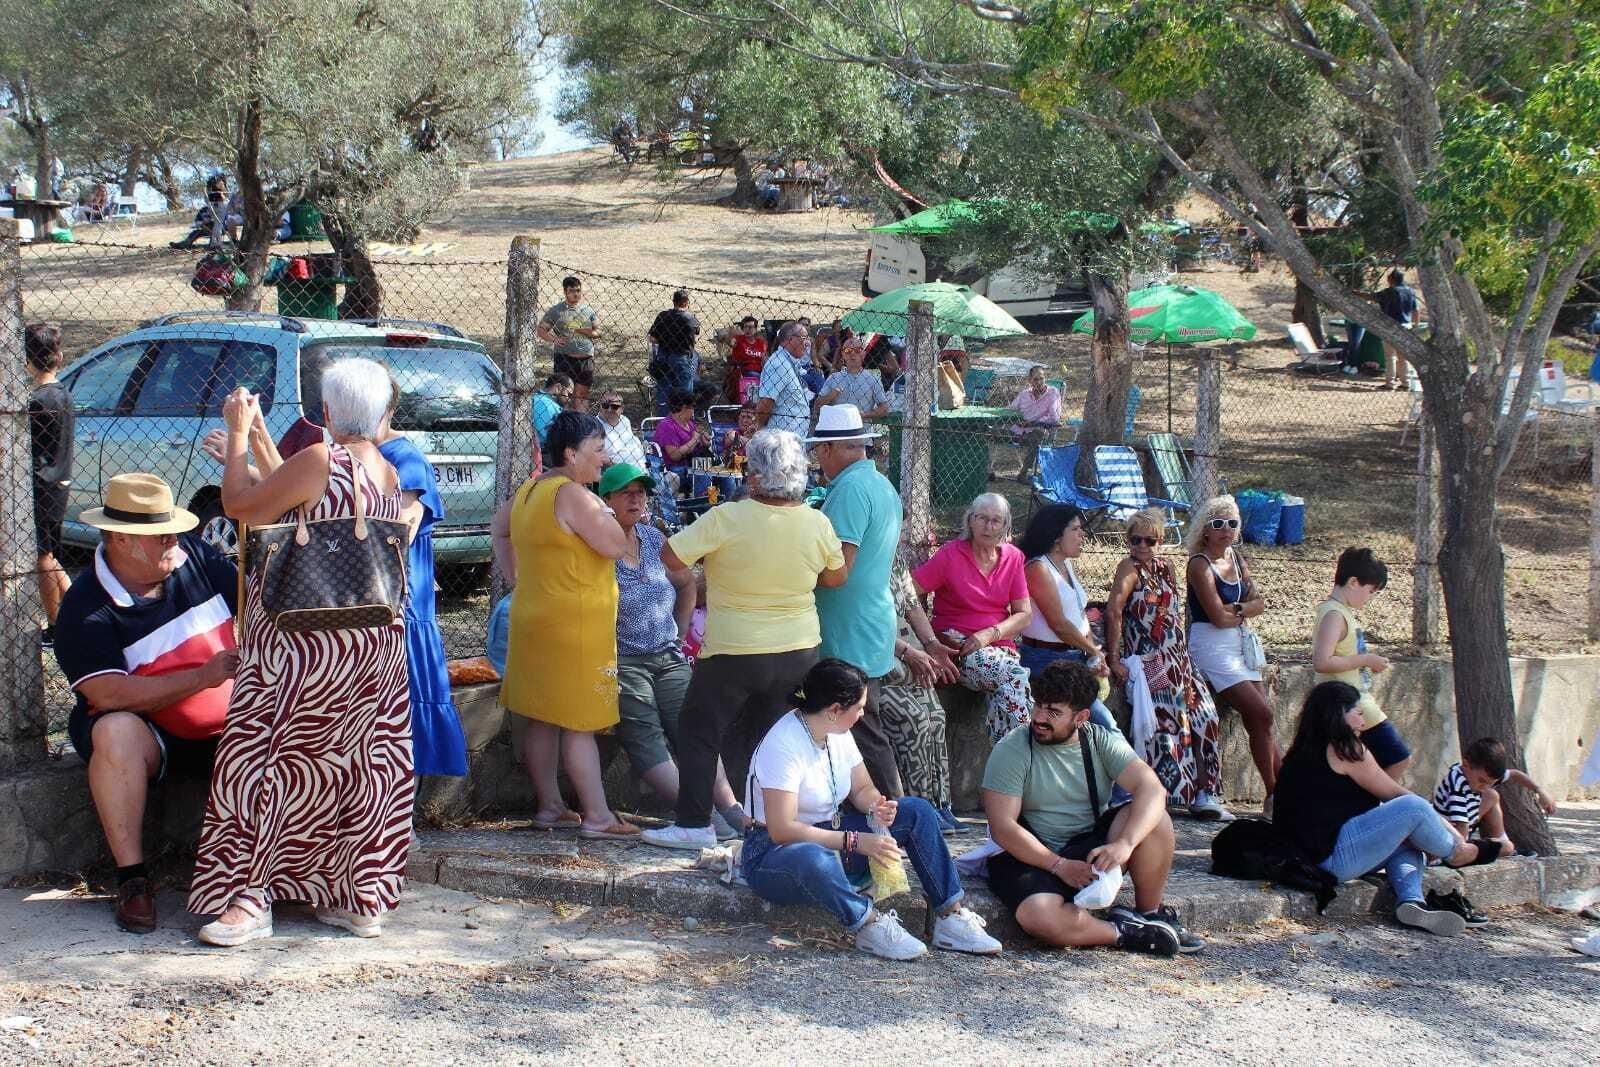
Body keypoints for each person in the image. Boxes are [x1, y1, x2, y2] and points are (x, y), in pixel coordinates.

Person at [189, 359, 423, 946]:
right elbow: (308, 507)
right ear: (384, 414)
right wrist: (264, 443)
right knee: (355, 767)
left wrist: (241, 435)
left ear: (324, 414)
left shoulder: (320, 459)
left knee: (267, 762)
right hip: (369, 648)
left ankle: (250, 896)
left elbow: (242, 506)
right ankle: (357, 896)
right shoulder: (389, 475)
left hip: (300, 649)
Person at [641, 430, 846, 851]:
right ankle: (786, 825)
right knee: (783, 737)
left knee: (699, 729)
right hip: (798, 649)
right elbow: (835, 577)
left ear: (753, 476)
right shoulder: (817, 522)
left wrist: (711, 571)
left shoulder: (726, 518)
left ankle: (695, 824)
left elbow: (670, 557)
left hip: (734, 650)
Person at [54, 474, 239, 934]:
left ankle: (291, 871)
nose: (174, 540)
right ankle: (132, 880)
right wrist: (202, 677)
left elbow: (253, 607)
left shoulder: (198, 555)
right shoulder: (85, 608)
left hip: (233, 724)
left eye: (173, 528)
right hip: (153, 735)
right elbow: (109, 693)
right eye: (162, 535)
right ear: (121, 539)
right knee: (112, 730)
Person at [740, 659, 1002, 959]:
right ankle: (868, 924)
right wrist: (854, 840)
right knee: (815, 858)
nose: (863, 713)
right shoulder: (783, 744)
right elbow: (782, 829)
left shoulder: (837, 730)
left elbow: (862, 789)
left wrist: (879, 808)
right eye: (859, 707)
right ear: (835, 709)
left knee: (916, 811)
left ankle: (951, 916)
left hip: (832, 833)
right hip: (773, 854)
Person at [982, 660, 1202, 956]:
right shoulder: (1013, 748)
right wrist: (1059, 866)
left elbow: (1152, 788)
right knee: (1038, 916)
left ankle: (1150, 913)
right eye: (1039, 707)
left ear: (1081, 717)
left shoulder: (1099, 740)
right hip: (1032, 855)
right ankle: (1127, 932)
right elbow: (1003, 828)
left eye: (1054, 712)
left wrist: (1125, 844)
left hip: (1088, 848)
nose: (1040, 718)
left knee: (1156, 820)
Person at [498, 411, 639, 840]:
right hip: (575, 627)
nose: (606, 458)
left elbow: (499, 531)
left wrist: (516, 578)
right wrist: (607, 510)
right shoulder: (574, 495)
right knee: (579, 722)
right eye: (598, 450)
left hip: (534, 617)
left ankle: (551, 807)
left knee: (543, 715)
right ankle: (598, 815)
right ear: (571, 453)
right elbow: (616, 545)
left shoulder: (529, 490)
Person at [1273, 681, 1493, 936]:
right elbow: (1396, 794)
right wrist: (1453, 833)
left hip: (1306, 859)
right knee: (1413, 808)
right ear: (1338, 715)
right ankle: (1457, 853)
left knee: (1412, 841)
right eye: (1357, 713)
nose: (1362, 721)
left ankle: (1412, 903)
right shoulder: (1345, 748)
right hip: (1330, 859)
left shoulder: (1301, 750)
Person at [601, 463, 743, 837]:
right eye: (626, 492)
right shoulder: (596, 546)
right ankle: (698, 817)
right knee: (643, 735)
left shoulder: (652, 539)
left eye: (642, 491)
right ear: (606, 500)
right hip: (623, 660)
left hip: (667, 656)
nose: (637, 498)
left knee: (694, 728)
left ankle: (731, 810)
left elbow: (686, 585)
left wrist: (679, 636)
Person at [810, 405, 913, 797]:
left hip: (849, 632)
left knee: (864, 732)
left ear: (829, 449)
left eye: (819, 450)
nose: (818, 459)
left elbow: (839, 571)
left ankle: (899, 817)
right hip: (867, 626)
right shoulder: (879, 484)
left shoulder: (851, 490)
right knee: (859, 729)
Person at [1105, 508, 1229, 820]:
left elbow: (1176, 612)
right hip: (1151, 658)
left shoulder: (1167, 567)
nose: (1142, 546)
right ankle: (1174, 793)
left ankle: (1206, 789)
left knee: (1206, 716)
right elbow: (1113, 612)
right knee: (1174, 720)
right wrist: (1115, 658)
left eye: (1150, 540)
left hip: (1179, 657)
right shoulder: (1128, 568)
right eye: (1136, 539)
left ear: (1160, 541)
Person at [377, 393, 467, 780]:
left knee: (404, 703)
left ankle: (400, 815)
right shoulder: (345, 454)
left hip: (401, 603)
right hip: (371, 601)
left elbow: (403, 529)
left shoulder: (406, 459)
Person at [911, 493, 1034, 743]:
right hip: (959, 650)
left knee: (1010, 684)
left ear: (1005, 525)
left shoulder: (1013, 558)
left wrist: (989, 634)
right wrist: (923, 636)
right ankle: (1021, 758)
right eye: (982, 518)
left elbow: (1024, 615)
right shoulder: (951, 554)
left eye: (996, 521)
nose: (988, 526)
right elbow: (909, 591)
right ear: (970, 521)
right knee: (1015, 678)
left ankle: (1007, 756)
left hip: (998, 649)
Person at [1184, 495, 1281, 803]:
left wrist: (1236, 608)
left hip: (1239, 643)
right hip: (1211, 646)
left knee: (1261, 721)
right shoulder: (1199, 565)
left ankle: (1281, 793)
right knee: (1262, 712)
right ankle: (1276, 792)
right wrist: (1244, 610)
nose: (1226, 530)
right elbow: (1215, 617)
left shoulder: (1237, 559)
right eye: (1218, 524)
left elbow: (1260, 603)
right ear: (1205, 530)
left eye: (1232, 524)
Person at [879, 524, 959, 827]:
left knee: (935, 715)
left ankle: (941, 803)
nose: (898, 531)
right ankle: (918, 810)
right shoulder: (861, 562)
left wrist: (931, 644)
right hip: (878, 657)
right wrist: (906, 653)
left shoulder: (895, 559)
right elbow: (865, 621)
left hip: (906, 652)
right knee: (913, 718)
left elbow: (913, 606)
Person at [1311, 547, 1412, 780]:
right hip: (1348, 704)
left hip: (1353, 701)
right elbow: (1322, 661)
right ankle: (1372, 807)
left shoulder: (1341, 612)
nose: (1371, 597)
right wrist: (1366, 659)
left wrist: (1366, 665)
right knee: (1398, 757)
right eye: (1371, 591)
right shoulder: (1334, 614)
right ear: (1354, 582)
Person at [1015, 505, 1115, 730]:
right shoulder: (1038, 567)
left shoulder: (1067, 564)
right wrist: (1094, 651)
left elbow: (1079, 614)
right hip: (1045, 658)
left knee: (1091, 730)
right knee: (1106, 726)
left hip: (1074, 655)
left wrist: (1094, 657)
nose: (1082, 535)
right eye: (1076, 529)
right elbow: (1059, 624)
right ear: (1057, 535)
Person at [26, 323, 73, 641]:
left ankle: (57, 623)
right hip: (60, 483)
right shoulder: (64, 394)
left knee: (42, 558)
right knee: (51, 555)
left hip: (42, 486)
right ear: (59, 356)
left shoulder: (37, 402)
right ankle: (72, 611)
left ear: (26, 360)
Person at [1433, 737, 1558, 854]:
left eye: (1489, 783)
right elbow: (1461, 826)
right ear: (1466, 765)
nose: (1484, 787)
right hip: (1447, 840)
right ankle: (1495, 848)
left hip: (1462, 830)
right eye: (1482, 781)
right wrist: (1463, 852)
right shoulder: (1457, 785)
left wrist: (1539, 790)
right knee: (1507, 847)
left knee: (1491, 795)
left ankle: (1500, 839)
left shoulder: (1475, 776)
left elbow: (1515, 775)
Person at [536, 276, 599, 411]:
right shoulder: (556, 310)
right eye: (572, 291)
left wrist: (586, 332)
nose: (576, 294)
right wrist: (554, 339)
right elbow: (541, 330)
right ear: (565, 292)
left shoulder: (588, 311)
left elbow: (598, 332)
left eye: (578, 290)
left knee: (581, 395)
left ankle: (581, 425)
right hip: (564, 358)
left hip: (586, 359)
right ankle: (563, 423)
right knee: (563, 395)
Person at [755, 321, 813, 436]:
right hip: (782, 439)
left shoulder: (789, 362)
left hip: (792, 437)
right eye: (804, 338)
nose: (807, 343)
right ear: (790, 340)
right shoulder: (779, 364)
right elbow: (766, 403)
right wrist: (760, 431)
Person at [649, 290, 701, 415]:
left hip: (663, 357)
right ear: (686, 302)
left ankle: (664, 420)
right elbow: (696, 335)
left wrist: (666, 338)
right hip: (681, 358)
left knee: (664, 390)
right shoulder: (690, 318)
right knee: (685, 392)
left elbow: (652, 338)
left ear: (673, 302)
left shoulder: (663, 316)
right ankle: (684, 420)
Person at [1008, 366, 1062, 480]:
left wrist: (1033, 423)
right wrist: (1016, 419)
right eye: (1035, 379)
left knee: (1038, 435)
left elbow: (1055, 418)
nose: (1039, 382)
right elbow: (1011, 409)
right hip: (1018, 430)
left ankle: (1023, 474)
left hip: (1038, 430)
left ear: (1045, 378)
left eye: (1041, 378)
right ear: (1030, 380)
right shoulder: (1024, 394)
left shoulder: (1053, 393)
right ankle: (986, 471)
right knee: (989, 430)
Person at [817, 337, 889, 420]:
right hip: (836, 428)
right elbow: (817, 407)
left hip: (861, 430)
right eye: (848, 350)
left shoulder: (873, 379)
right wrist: (830, 397)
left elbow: (884, 408)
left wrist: (865, 415)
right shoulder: (833, 377)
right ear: (843, 354)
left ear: (863, 354)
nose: (852, 354)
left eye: (857, 350)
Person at [1377, 269, 1419, 390]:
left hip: (1390, 327)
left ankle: (1390, 383)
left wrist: (1355, 293)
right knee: (1403, 357)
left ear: (1391, 280)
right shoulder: (1411, 292)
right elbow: (1415, 310)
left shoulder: (1389, 292)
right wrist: (1415, 325)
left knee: (1390, 357)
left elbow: (1373, 297)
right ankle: (1405, 383)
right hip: (1406, 326)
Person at [653, 389, 712, 471]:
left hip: (696, 464)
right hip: (676, 469)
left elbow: (700, 446)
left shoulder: (690, 423)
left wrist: (704, 442)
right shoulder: (666, 426)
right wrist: (694, 439)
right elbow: (675, 455)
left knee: (726, 474)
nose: (694, 410)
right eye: (693, 406)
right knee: (703, 474)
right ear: (684, 408)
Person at [597, 389, 647, 468]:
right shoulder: (594, 425)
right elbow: (599, 457)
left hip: (641, 465)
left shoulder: (624, 420)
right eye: (605, 405)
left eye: (614, 406)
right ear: (600, 406)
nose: (609, 409)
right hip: (619, 472)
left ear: (622, 409)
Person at [722, 315, 767, 401]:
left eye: (750, 327)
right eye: (745, 327)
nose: (747, 329)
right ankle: (755, 403)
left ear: (755, 329)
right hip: (744, 371)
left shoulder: (761, 342)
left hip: (761, 371)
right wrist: (731, 332)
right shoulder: (738, 339)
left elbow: (765, 358)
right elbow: (731, 343)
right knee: (756, 377)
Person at [533, 372, 574, 454]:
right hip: (545, 453)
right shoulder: (545, 404)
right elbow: (554, 438)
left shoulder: (539, 397)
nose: (569, 399)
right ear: (558, 387)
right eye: (568, 394)